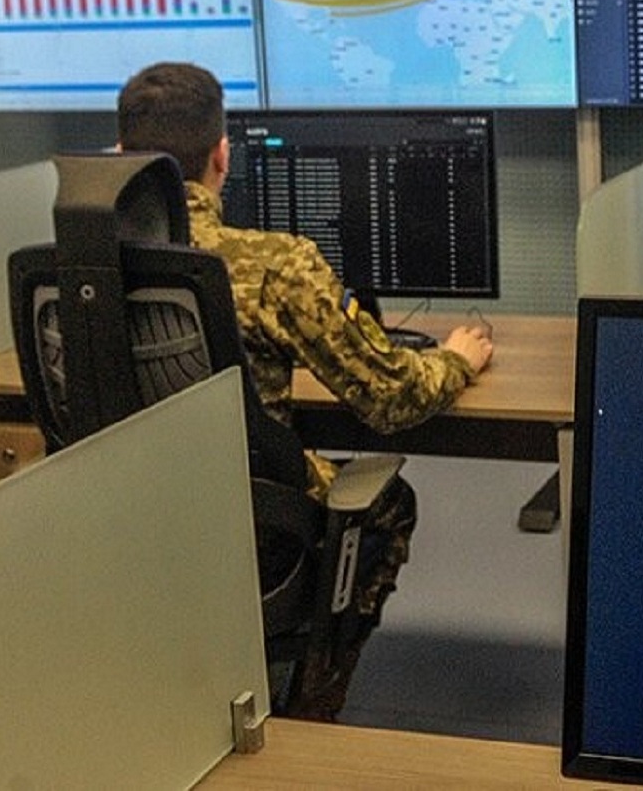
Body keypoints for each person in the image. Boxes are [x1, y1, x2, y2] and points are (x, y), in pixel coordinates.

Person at [116, 61, 493, 720]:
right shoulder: (271, 267)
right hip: (243, 524)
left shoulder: (75, 263)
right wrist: (456, 361)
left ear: (120, 154)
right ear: (222, 156)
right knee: (388, 503)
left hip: (116, 519)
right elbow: (392, 398)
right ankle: (311, 702)